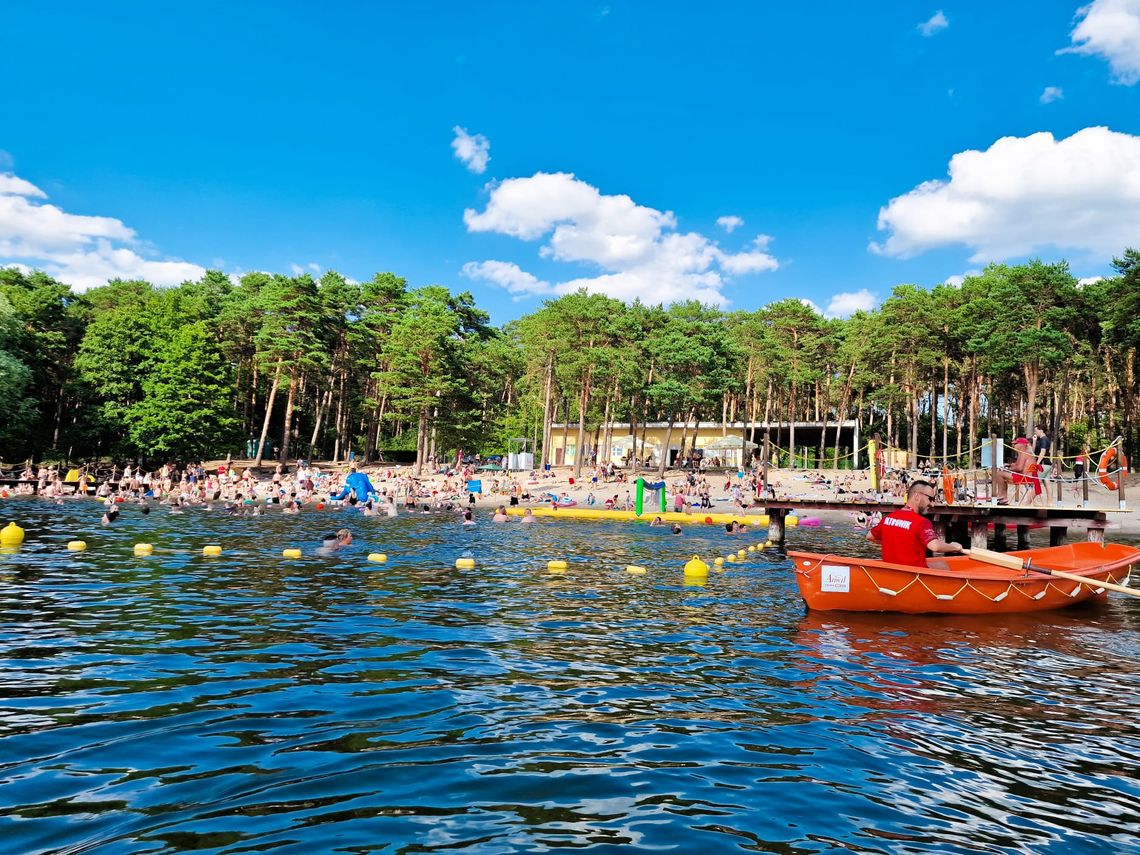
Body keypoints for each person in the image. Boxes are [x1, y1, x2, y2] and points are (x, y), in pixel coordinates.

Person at [867, 480, 963, 568]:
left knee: (940, 564)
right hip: (915, 577)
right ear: (917, 496)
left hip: (893, 574)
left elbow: (870, 536)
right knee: (944, 566)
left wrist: (896, 543)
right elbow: (935, 546)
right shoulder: (921, 522)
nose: (932, 504)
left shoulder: (888, 518)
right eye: (930, 499)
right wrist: (955, 547)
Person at [990, 437, 1039, 505]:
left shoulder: (1024, 453)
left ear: (1022, 445)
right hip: (1027, 477)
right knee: (1002, 476)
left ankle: (1002, 496)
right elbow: (1018, 465)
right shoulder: (1026, 452)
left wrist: (1008, 469)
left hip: (1026, 478)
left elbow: (1019, 468)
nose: (1014, 446)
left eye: (1015, 444)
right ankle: (1003, 497)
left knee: (999, 474)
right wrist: (1010, 465)